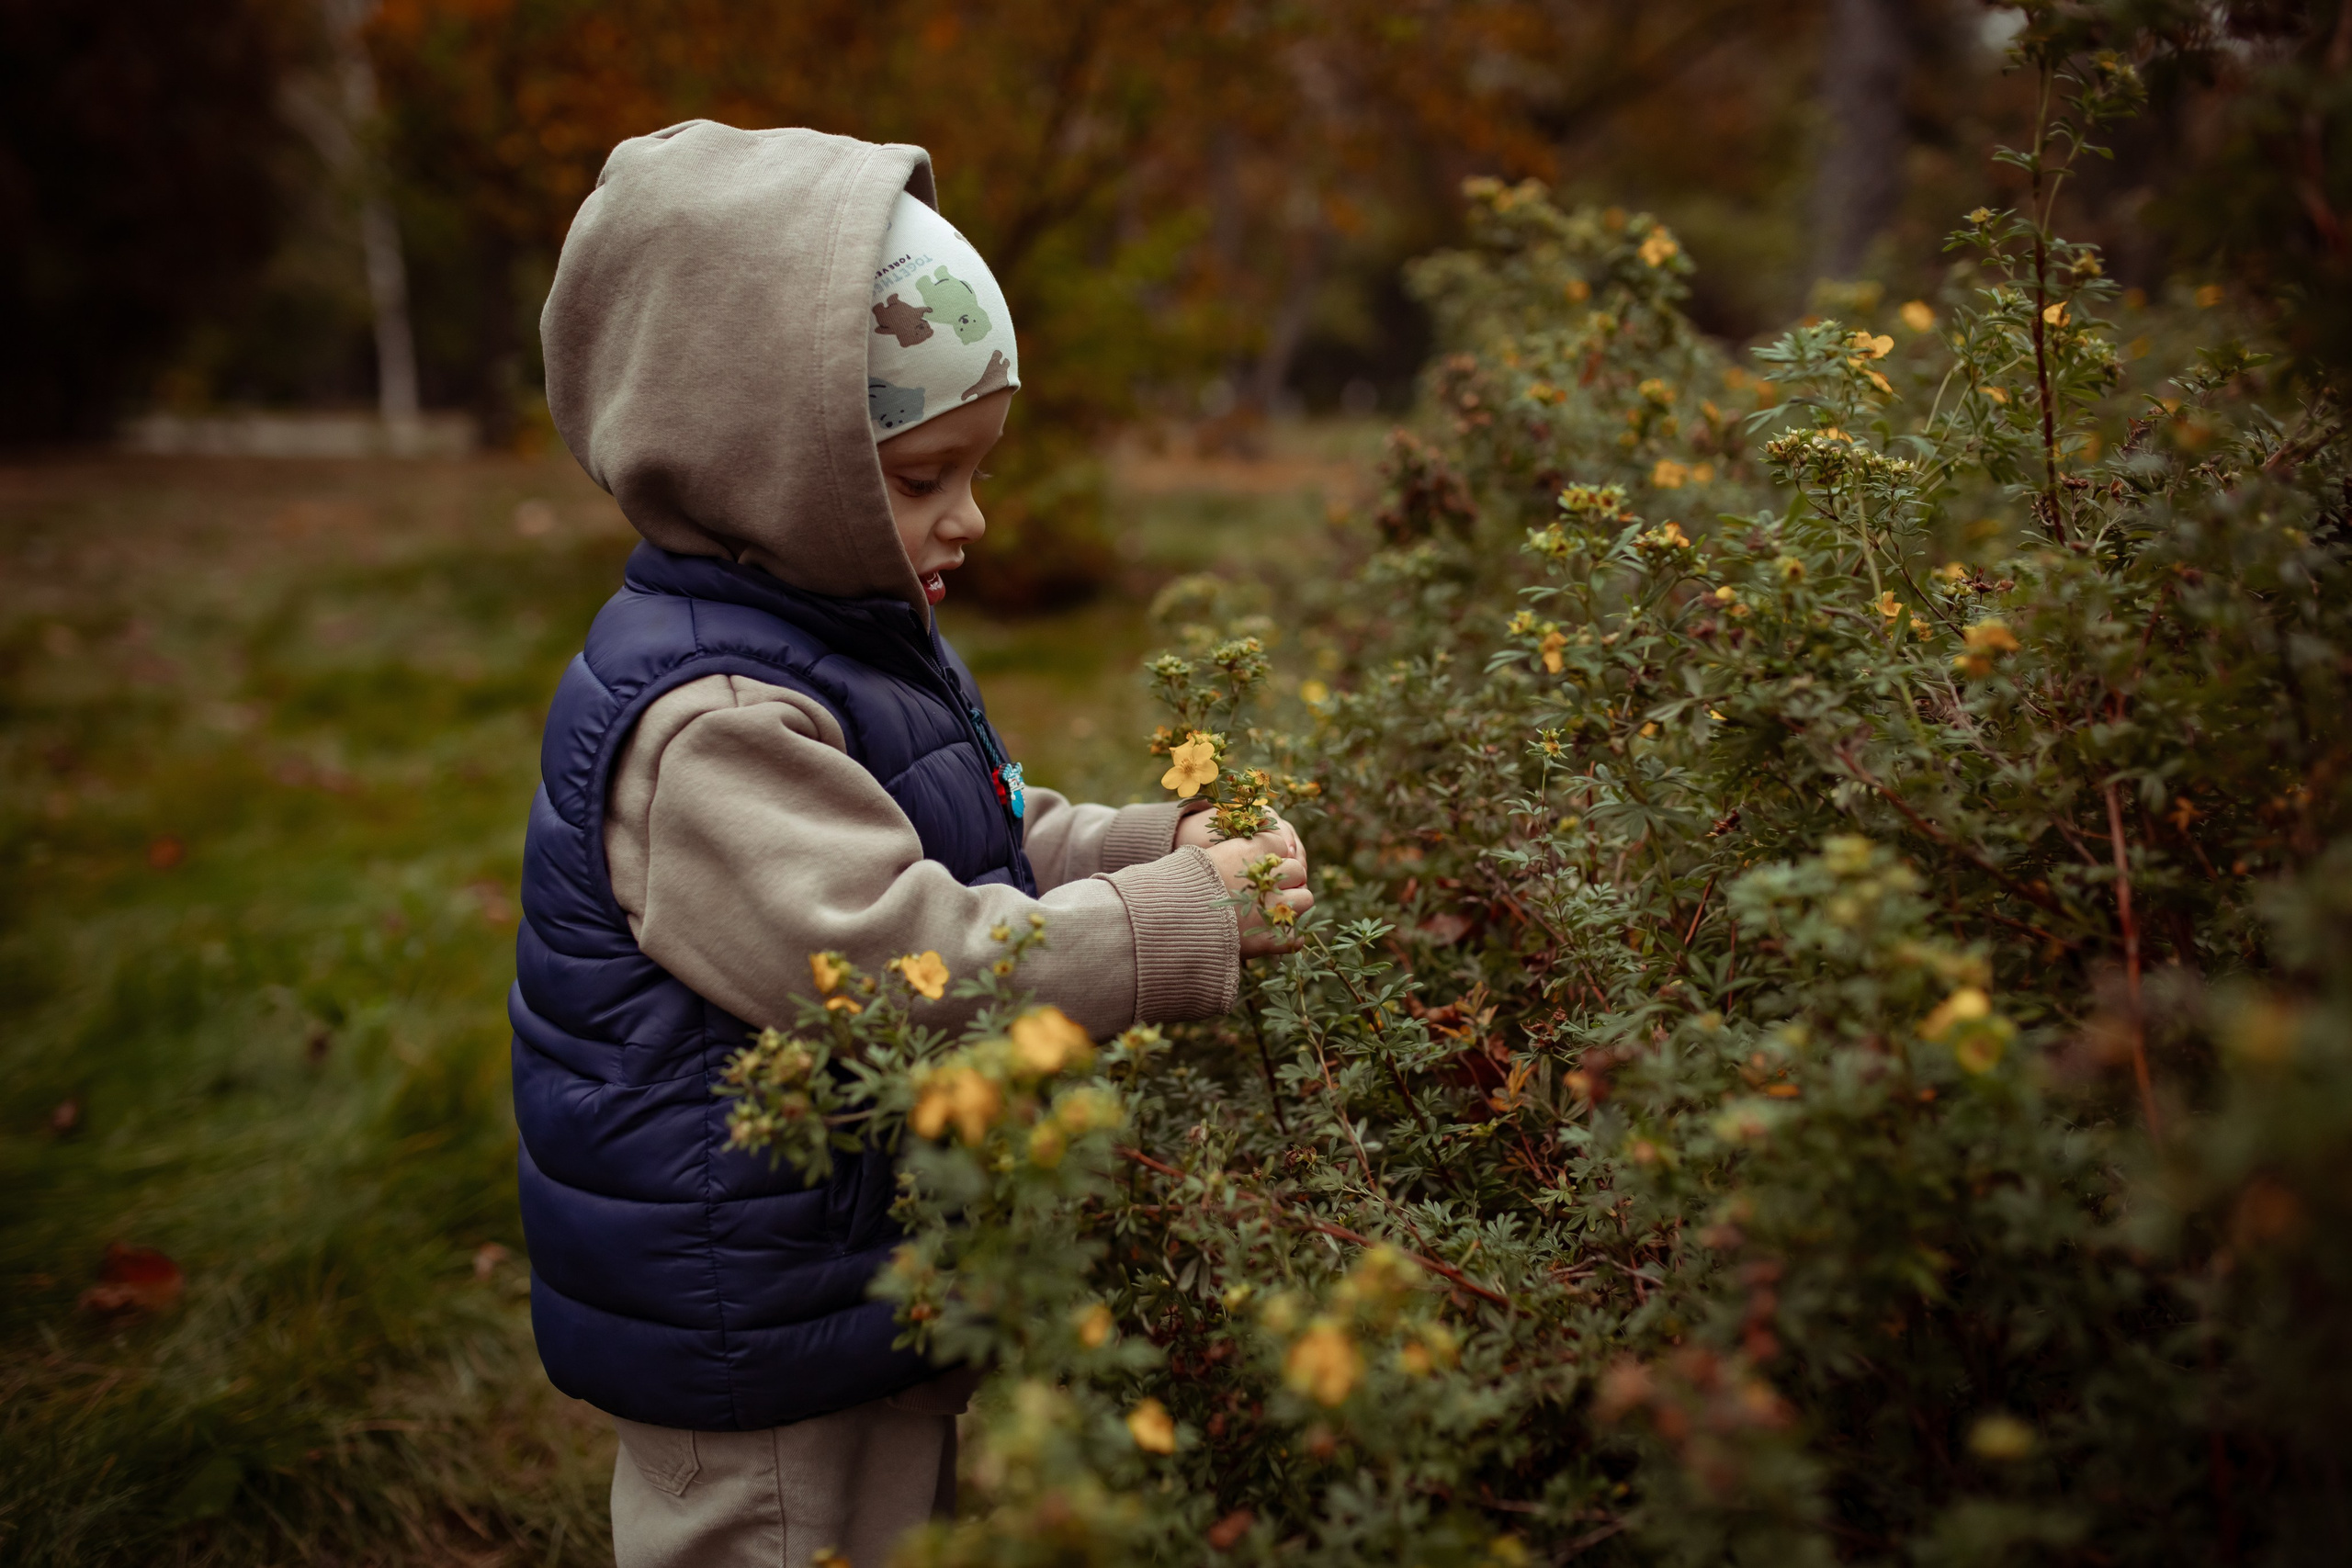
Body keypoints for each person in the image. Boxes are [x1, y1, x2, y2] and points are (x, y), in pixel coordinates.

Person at [513, 121, 1312, 1568]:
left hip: (847, 1291)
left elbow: (983, 835)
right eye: (926, 474)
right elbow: (906, 960)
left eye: (978, 467)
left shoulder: (837, 638)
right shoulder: (713, 728)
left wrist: (1154, 842)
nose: (974, 517)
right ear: (770, 460)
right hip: (750, 1337)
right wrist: (1169, 923)